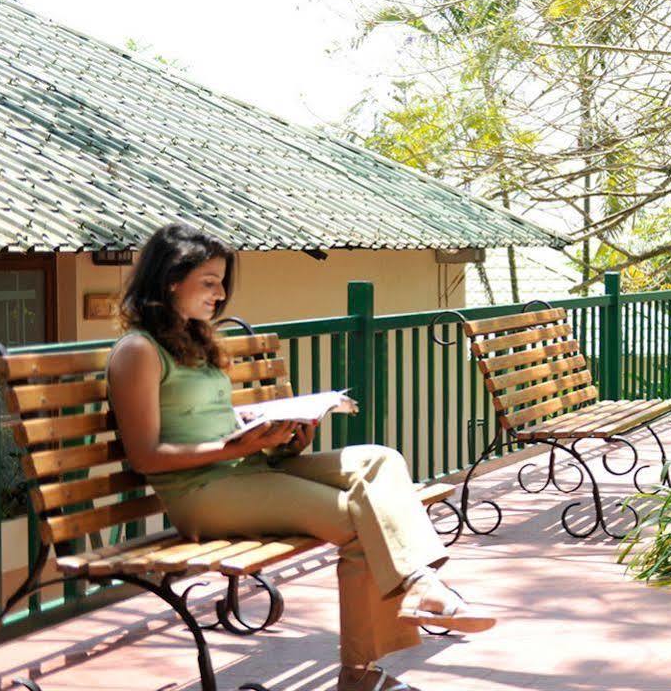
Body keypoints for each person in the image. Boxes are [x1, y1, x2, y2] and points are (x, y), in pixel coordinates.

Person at [105, 223, 492, 690]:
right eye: (209, 282)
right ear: (170, 279)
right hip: (202, 492)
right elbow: (146, 456)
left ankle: (418, 590)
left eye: (222, 282)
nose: (221, 293)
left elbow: (214, 423)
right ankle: (368, 662)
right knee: (357, 519)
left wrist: (283, 437)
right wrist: (235, 447)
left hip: (246, 468)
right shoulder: (138, 351)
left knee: (381, 459)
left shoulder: (194, 341)